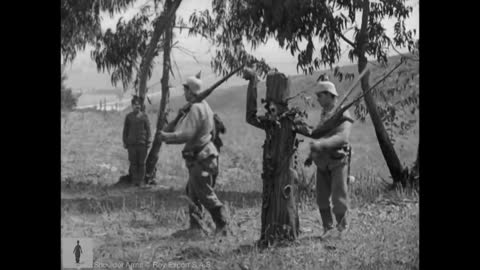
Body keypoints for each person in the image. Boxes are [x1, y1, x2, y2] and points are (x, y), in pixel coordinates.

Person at [158, 75, 229, 236]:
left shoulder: (196, 108)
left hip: (201, 158)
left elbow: (187, 134)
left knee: (204, 193)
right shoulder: (204, 106)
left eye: (186, 90)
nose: (184, 93)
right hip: (205, 156)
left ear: (190, 91)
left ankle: (222, 225)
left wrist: (166, 137)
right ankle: (195, 228)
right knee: (192, 192)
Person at [308, 80, 353, 240]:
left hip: (337, 161)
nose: (318, 99)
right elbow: (319, 133)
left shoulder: (342, 114)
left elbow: (342, 137)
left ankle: (342, 228)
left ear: (328, 95)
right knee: (321, 197)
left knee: (338, 197)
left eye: (320, 95)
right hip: (321, 163)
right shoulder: (324, 114)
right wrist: (311, 155)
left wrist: (321, 144)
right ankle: (327, 228)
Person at [122, 95, 152, 187]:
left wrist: (149, 141)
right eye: (135, 104)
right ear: (132, 106)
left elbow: (148, 130)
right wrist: (125, 141)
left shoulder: (144, 116)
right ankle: (134, 181)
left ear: (141, 106)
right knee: (133, 163)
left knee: (142, 163)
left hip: (142, 144)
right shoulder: (128, 117)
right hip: (131, 144)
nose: (137, 106)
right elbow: (125, 130)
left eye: (139, 104)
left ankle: (141, 181)